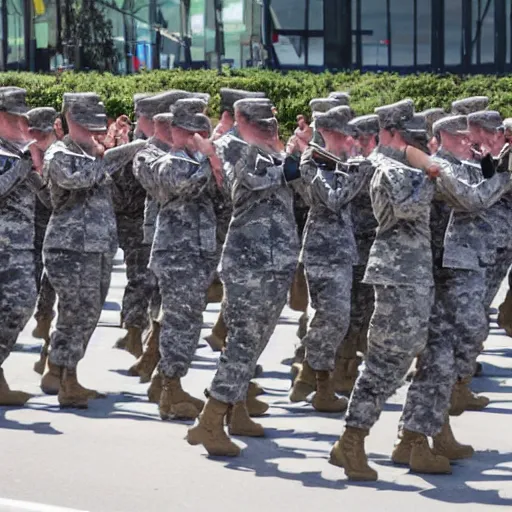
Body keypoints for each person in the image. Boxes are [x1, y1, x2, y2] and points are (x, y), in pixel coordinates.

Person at [393, 114, 512, 473]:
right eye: (462, 135)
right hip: (444, 272)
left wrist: (497, 164)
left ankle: (432, 429)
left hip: (465, 268)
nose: (468, 140)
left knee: (450, 355)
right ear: (442, 135)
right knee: (440, 359)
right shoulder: (441, 167)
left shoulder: (467, 164)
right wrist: (505, 175)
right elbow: (473, 200)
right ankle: (413, 438)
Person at [329, 100, 440, 481]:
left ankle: (401, 438)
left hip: (411, 275)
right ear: (391, 134)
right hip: (398, 276)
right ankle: (351, 439)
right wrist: (430, 172)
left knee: (403, 358)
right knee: (384, 362)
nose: (418, 146)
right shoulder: (390, 169)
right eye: (411, 139)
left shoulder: (404, 167)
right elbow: (409, 210)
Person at [187, 98, 300, 455]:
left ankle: (235, 410)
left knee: (255, 341)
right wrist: (293, 158)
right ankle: (210, 419)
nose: (269, 126)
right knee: (242, 343)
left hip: (275, 259)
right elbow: (255, 179)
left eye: (271, 120)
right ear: (240, 119)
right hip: (250, 261)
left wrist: (294, 153)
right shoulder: (233, 147)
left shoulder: (268, 149)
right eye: (259, 121)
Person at [41, 92, 143, 408]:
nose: (95, 133)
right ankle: (68, 381)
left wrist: (118, 152)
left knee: (89, 313)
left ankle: (57, 369)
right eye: (88, 127)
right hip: (70, 248)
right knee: (76, 312)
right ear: (71, 121)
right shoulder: (59, 153)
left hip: (97, 247)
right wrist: (117, 153)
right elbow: (78, 179)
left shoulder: (93, 154)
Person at [135, 99, 221, 421]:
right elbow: (184, 181)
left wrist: (211, 156)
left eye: (201, 130)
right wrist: (207, 155)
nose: (198, 136)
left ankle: (165, 383)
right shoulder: (165, 161)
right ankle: (171, 389)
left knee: (187, 322)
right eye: (191, 131)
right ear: (175, 131)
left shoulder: (199, 161)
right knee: (180, 322)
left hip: (197, 254)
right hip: (177, 256)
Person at [289, 105, 369, 413]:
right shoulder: (314, 160)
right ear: (332, 132)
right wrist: (360, 170)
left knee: (338, 318)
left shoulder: (341, 160)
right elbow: (334, 199)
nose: (351, 136)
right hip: (323, 251)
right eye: (346, 131)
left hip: (341, 249)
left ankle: (314, 377)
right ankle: (315, 378)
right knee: (331, 316)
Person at [0, 87, 43, 406]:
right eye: (15, 118)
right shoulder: (14, 156)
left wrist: (40, 166)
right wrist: (24, 162)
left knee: (22, 303)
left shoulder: (19, 152)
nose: (21, 125)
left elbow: (48, 198)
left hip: (18, 247)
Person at [332, 113, 379, 395]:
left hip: (365, 248)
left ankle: (346, 370)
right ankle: (341, 372)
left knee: (361, 313)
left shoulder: (358, 164)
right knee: (354, 313)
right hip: (358, 249)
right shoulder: (363, 166)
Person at [28, 107, 59, 376]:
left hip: (53, 231)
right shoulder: (21, 154)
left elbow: (52, 198)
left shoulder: (57, 154)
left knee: (53, 288)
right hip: (26, 236)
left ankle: (47, 356)